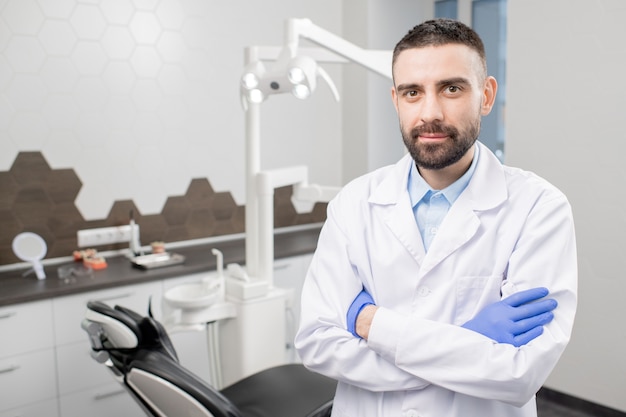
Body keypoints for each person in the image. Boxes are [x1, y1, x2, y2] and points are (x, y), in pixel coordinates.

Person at [294, 18, 577, 417]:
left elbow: (519, 374)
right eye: (413, 92)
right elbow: (317, 344)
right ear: (396, 99)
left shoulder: (539, 209)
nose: (430, 112)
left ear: (486, 95)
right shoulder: (353, 204)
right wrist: (466, 341)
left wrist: (372, 324)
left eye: (452, 88)